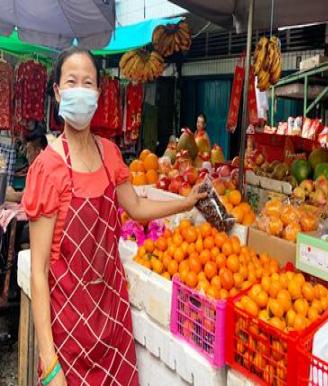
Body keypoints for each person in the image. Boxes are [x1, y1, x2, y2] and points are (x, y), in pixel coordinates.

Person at [22, 47, 206, 386]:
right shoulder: (47, 169)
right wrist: (49, 362)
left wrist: (185, 204)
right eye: (72, 81)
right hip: (69, 330)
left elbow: (135, 207)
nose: (80, 89)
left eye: (88, 83)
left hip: (113, 320)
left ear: (97, 94)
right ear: (59, 92)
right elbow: (38, 271)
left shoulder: (110, 155)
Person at [6, 132, 48, 203]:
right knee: (9, 189)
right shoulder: (34, 169)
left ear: (37, 151)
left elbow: (26, 197)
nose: (27, 156)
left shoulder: (43, 170)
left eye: (29, 152)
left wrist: (5, 195)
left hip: (38, 210)